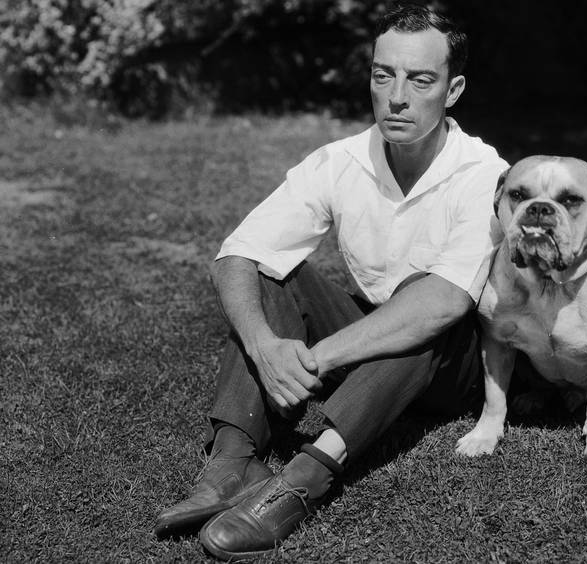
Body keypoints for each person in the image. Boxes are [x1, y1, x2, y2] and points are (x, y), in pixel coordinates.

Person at [153, 4, 508, 560]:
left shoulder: (486, 174)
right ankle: (231, 462)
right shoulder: (339, 159)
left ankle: (306, 476)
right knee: (273, 270)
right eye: (382, 74)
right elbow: (237, 254)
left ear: (453, 89)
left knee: (422, 297)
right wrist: (266, 346)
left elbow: (441, 304)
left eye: (420, 80)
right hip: (371, 337)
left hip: (450, 363)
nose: (396, 96)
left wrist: (314, 359)